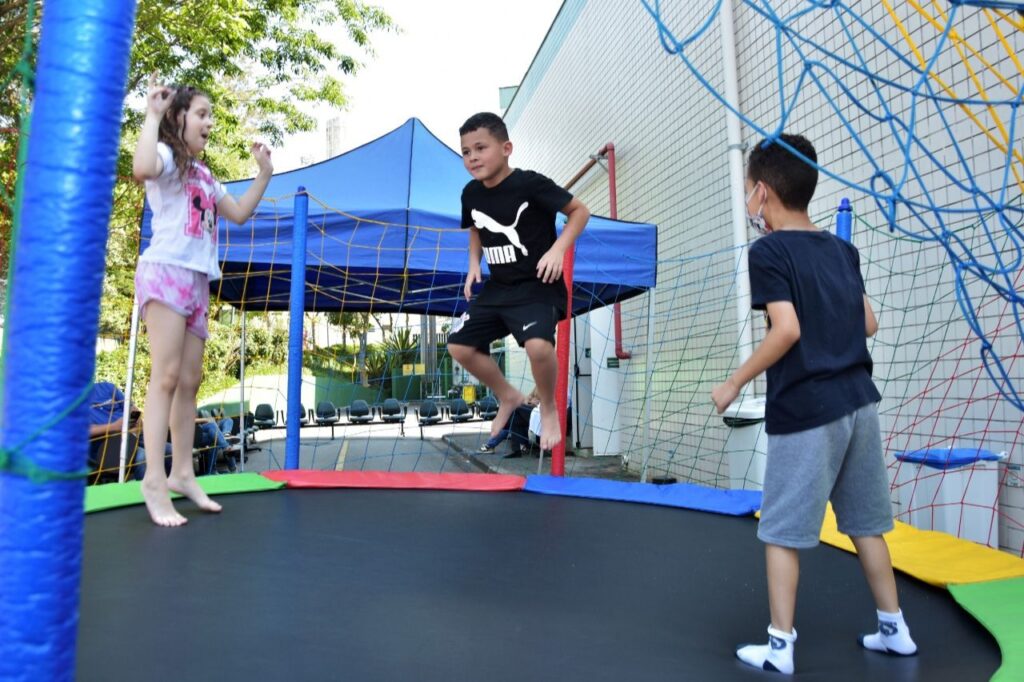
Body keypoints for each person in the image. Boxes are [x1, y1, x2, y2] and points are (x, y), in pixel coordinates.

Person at [710, 134, 916, 675]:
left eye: (749, 195)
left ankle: (780, 647)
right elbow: (868, 322)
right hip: (859, 405)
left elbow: (787, 330)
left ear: (761, 192)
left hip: (808, 408)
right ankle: (894, 629)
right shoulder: (840, 249)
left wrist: (734, 382)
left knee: (781, 530)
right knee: (866, 524)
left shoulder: (769, 251)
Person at [132, 76, 273, 526]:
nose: (209, 122)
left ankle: (182, 473)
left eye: (211, 115)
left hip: (197, 281)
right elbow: (141, 167)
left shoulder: (206, 175)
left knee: (190, 382)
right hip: (166, 272)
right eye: (201, 114)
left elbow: (240, 214)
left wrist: (264, 174)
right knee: (167, 376)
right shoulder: (168, 158)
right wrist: (152, 116)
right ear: (179, 118)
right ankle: (153, 479)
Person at [447, 113, 590, 453]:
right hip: (500, 288)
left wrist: (557, 250)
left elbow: (579, 211)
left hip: (538, 285)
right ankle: (508, 395)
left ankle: (550, 408)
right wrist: (472, 265)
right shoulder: (470, 193)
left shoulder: (530, 184)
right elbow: (475, 228)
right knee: (458, 346)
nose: (473, 158)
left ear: (506, 148)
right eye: (466, 152)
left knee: (538, 347)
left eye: (481, 148)